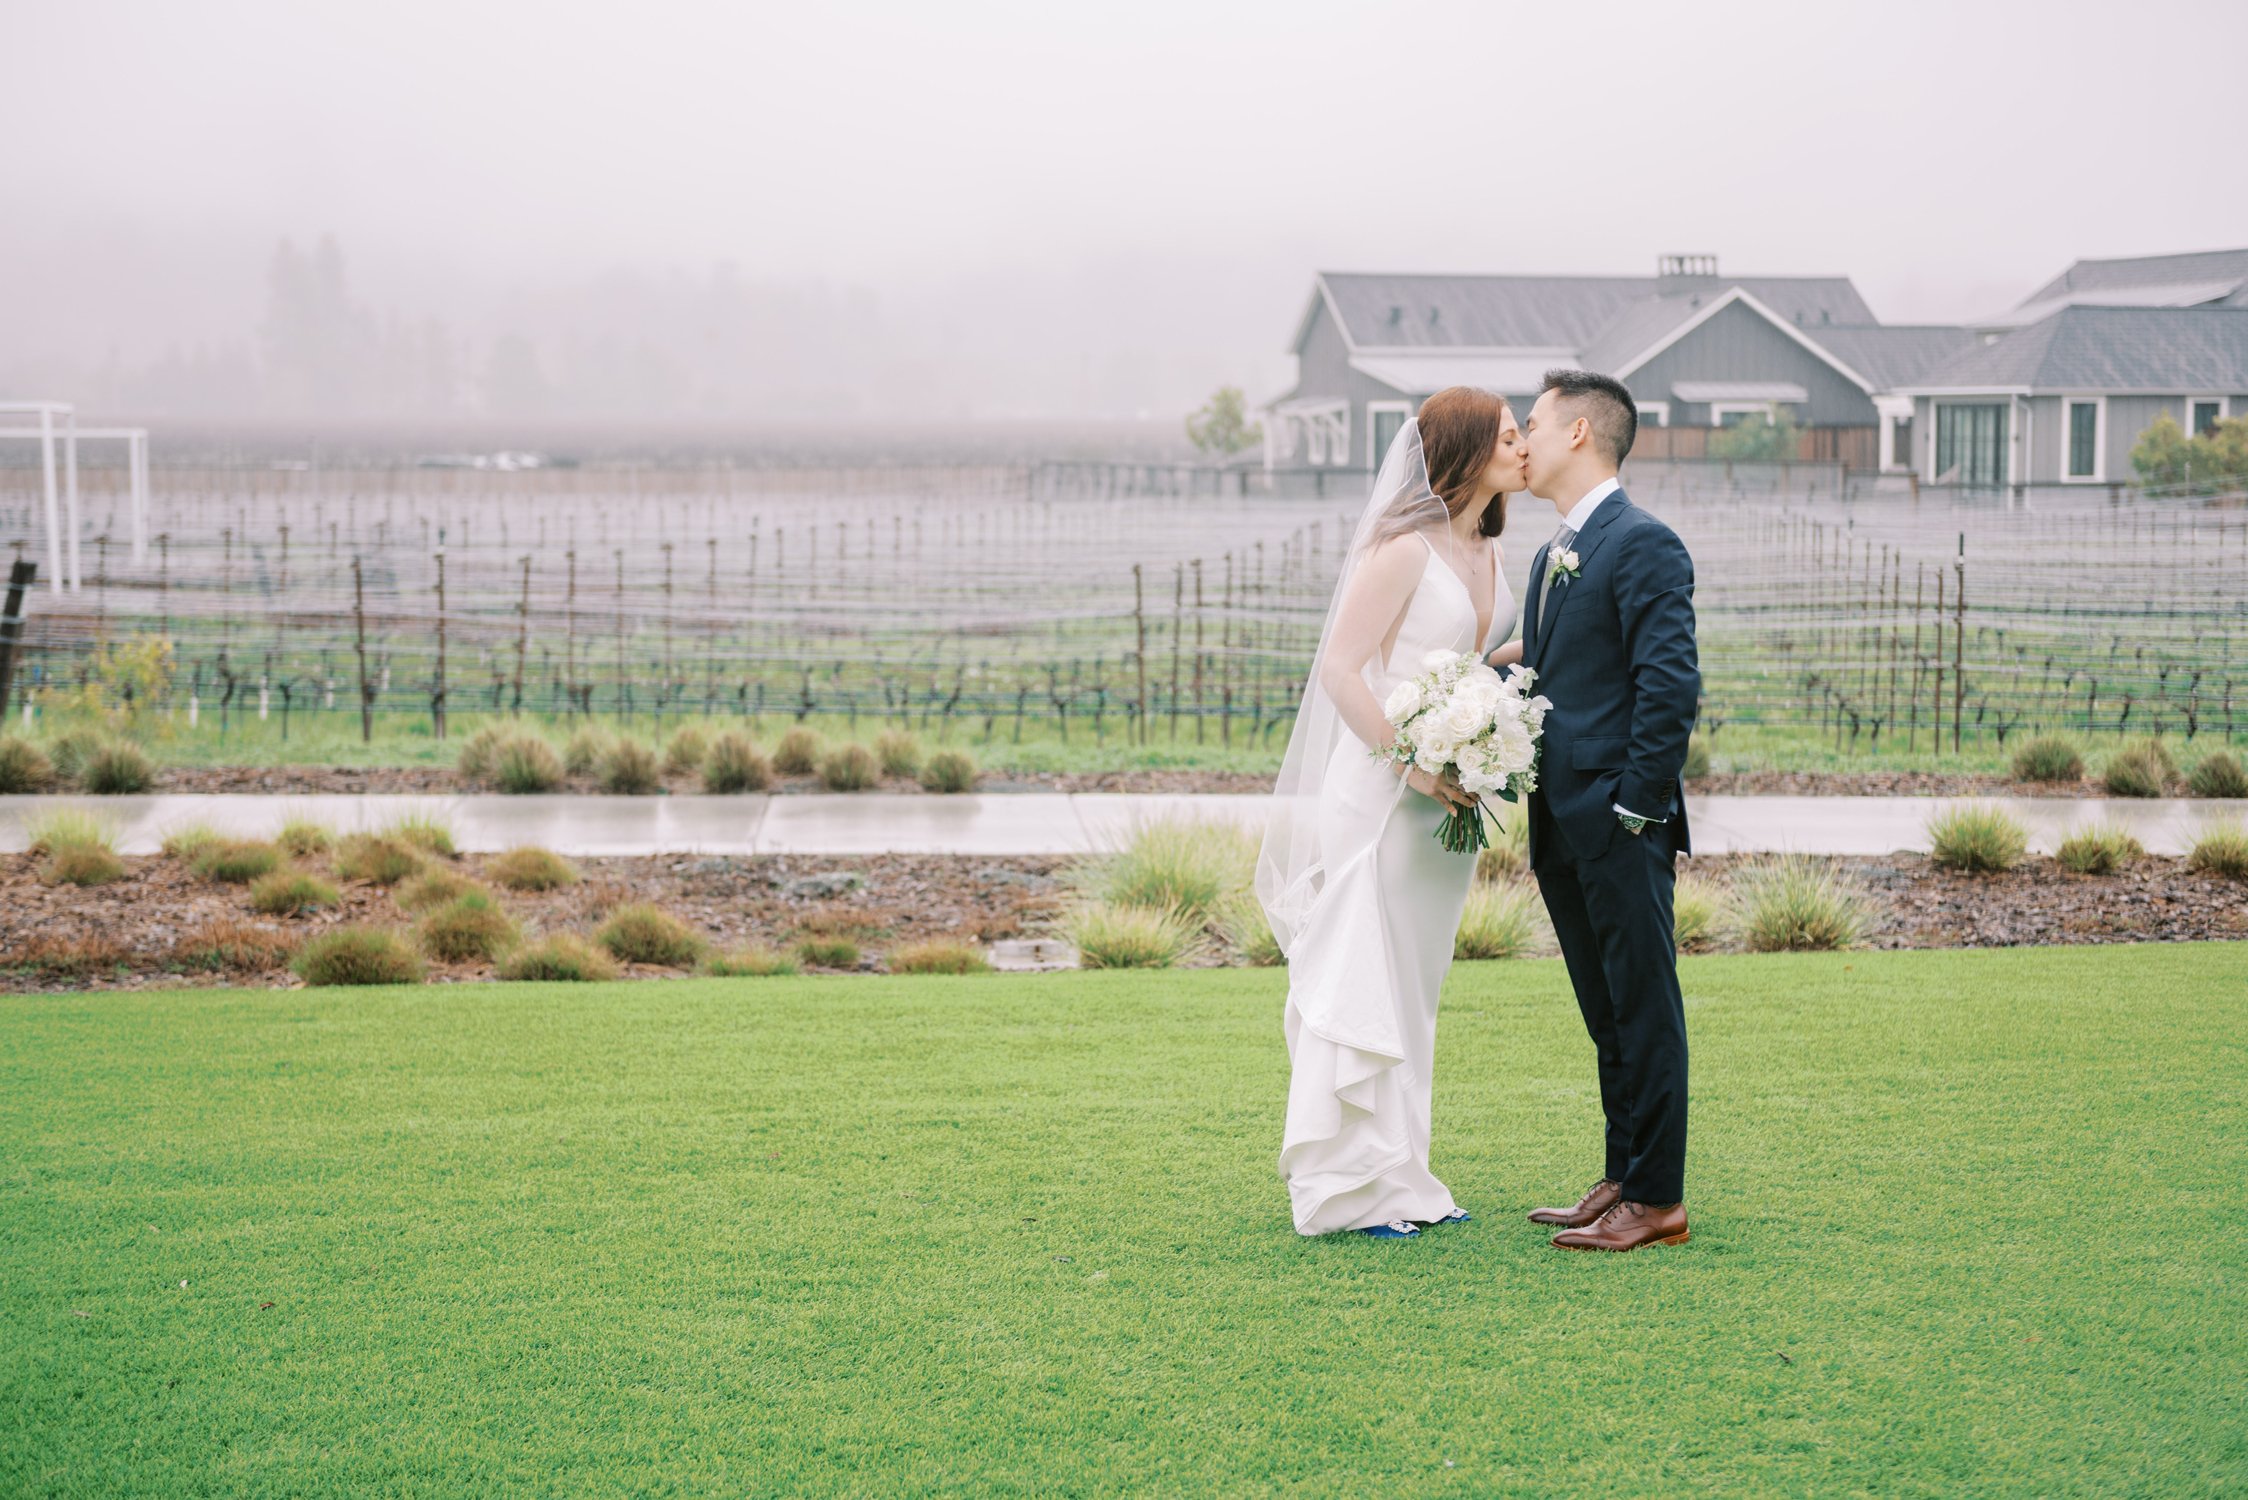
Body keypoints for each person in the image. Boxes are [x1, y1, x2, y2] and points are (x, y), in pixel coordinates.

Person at [1255, 385, 1529, 1238]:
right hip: (1382, 792)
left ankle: (1405, 1178)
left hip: (1449, 794)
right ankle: (1344, 1188)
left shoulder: (1488, 548)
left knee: (1415, 987)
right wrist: (1409, 763)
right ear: (1468, 449)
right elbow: (1341, 669)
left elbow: (1471, 658)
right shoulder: (1404, 547)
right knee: (1362, 977)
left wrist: (1504, 708)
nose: (1524, 447)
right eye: (1509, 436)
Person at [1516, 368, 1700, 1253]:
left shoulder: (1643, 543)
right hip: (1561, 822)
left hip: (1619, 822)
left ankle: (1658, 1200)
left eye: (1533, 424)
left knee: (1644, 1007)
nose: (1523, 441)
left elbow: (1670, 685)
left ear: (1580, 432)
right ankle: (1623, 1176)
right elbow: (1558, 669)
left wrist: (1636, 808)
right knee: (1606, 1010)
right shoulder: (1552, 551)